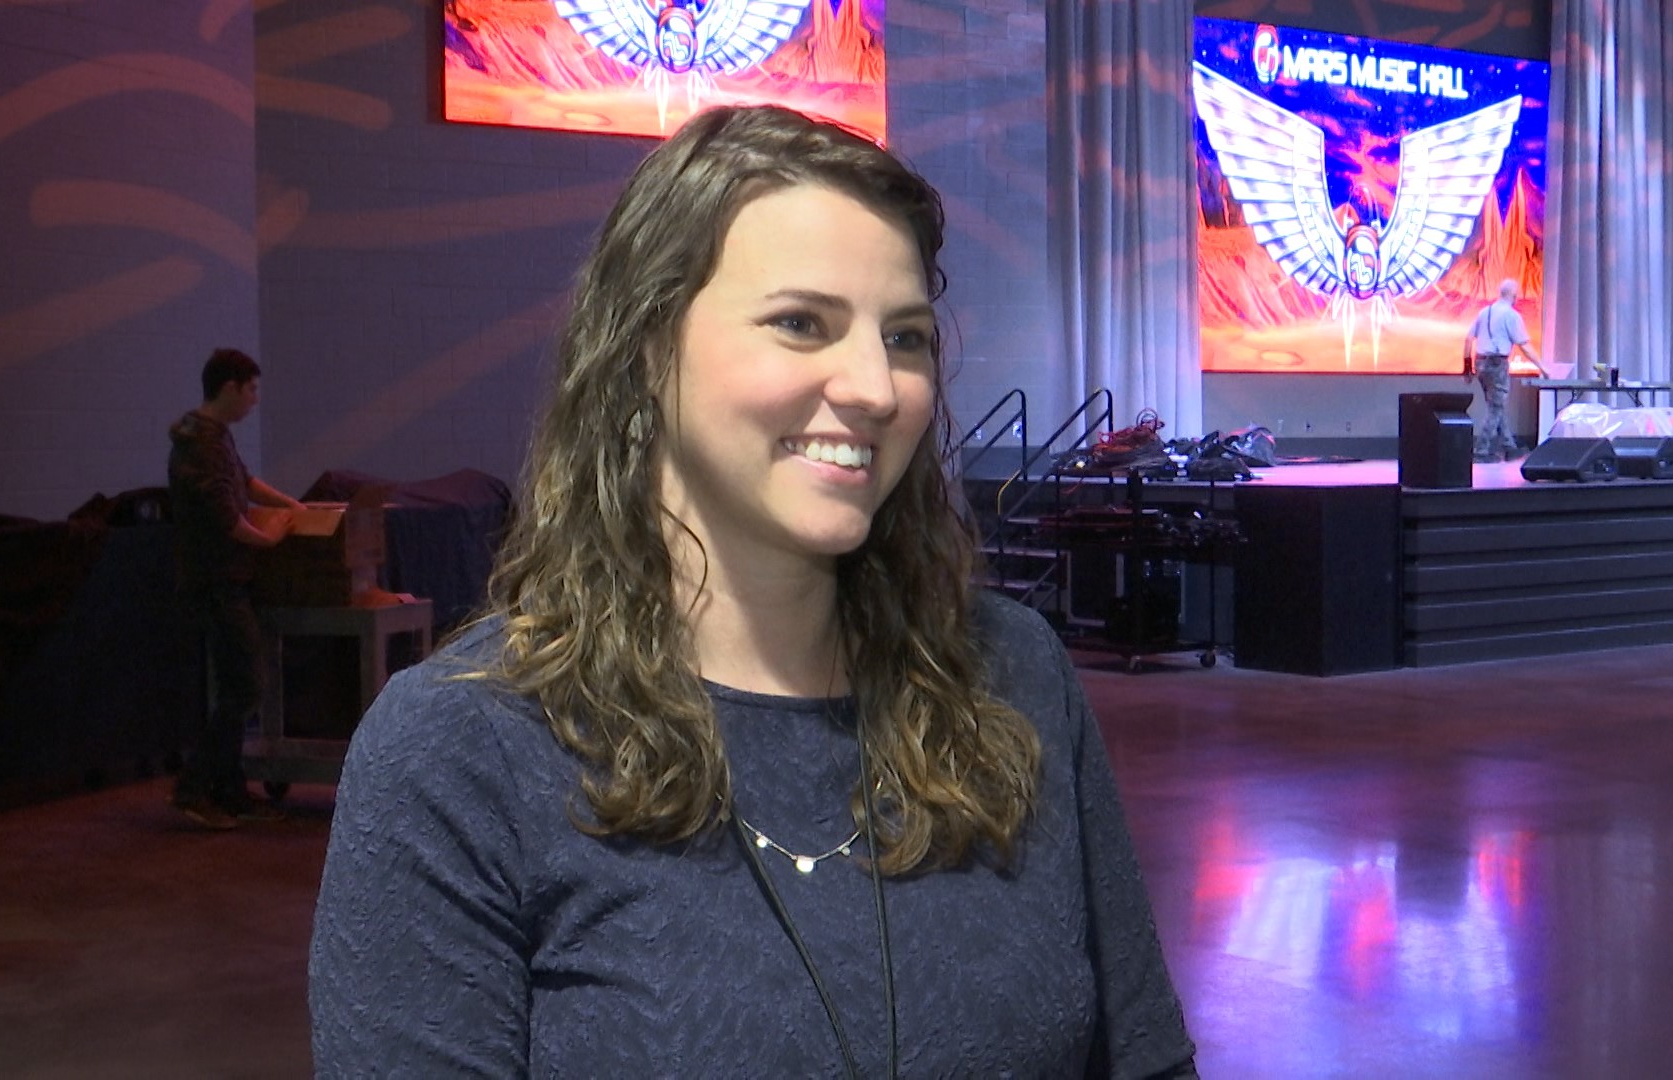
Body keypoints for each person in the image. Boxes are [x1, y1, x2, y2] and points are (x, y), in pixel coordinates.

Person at [308, 105, 1197, 1077]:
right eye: (800, 323)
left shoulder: (1015, 675)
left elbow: (1144, 1060)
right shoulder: (461, 750)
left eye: (905, 337)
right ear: (648, 349)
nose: (873, 385)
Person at [166, 347, 303, 829]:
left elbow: (246, 484)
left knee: (238, 686)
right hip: (216, 583)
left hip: (229, 582)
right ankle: (194, 788)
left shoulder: (214, 437)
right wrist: (273, 538)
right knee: (246, 686)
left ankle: (230, 791)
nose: (255, 400)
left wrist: (297, 507)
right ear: (230, 388)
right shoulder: (200, 444)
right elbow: (228, 518)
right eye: (252, 389)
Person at [1463, 278, 1543, 462]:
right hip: (1497, 364)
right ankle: (1481, 450)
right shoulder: (1511, 315)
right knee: (1495, 407)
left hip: (1480, 363)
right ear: (1514, 295)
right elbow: (1525, 345)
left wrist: (1467, 368)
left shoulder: (1485, 312)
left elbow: (1468, 339)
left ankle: (1509, 446)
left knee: (1496, 405)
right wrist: (1542, 367)